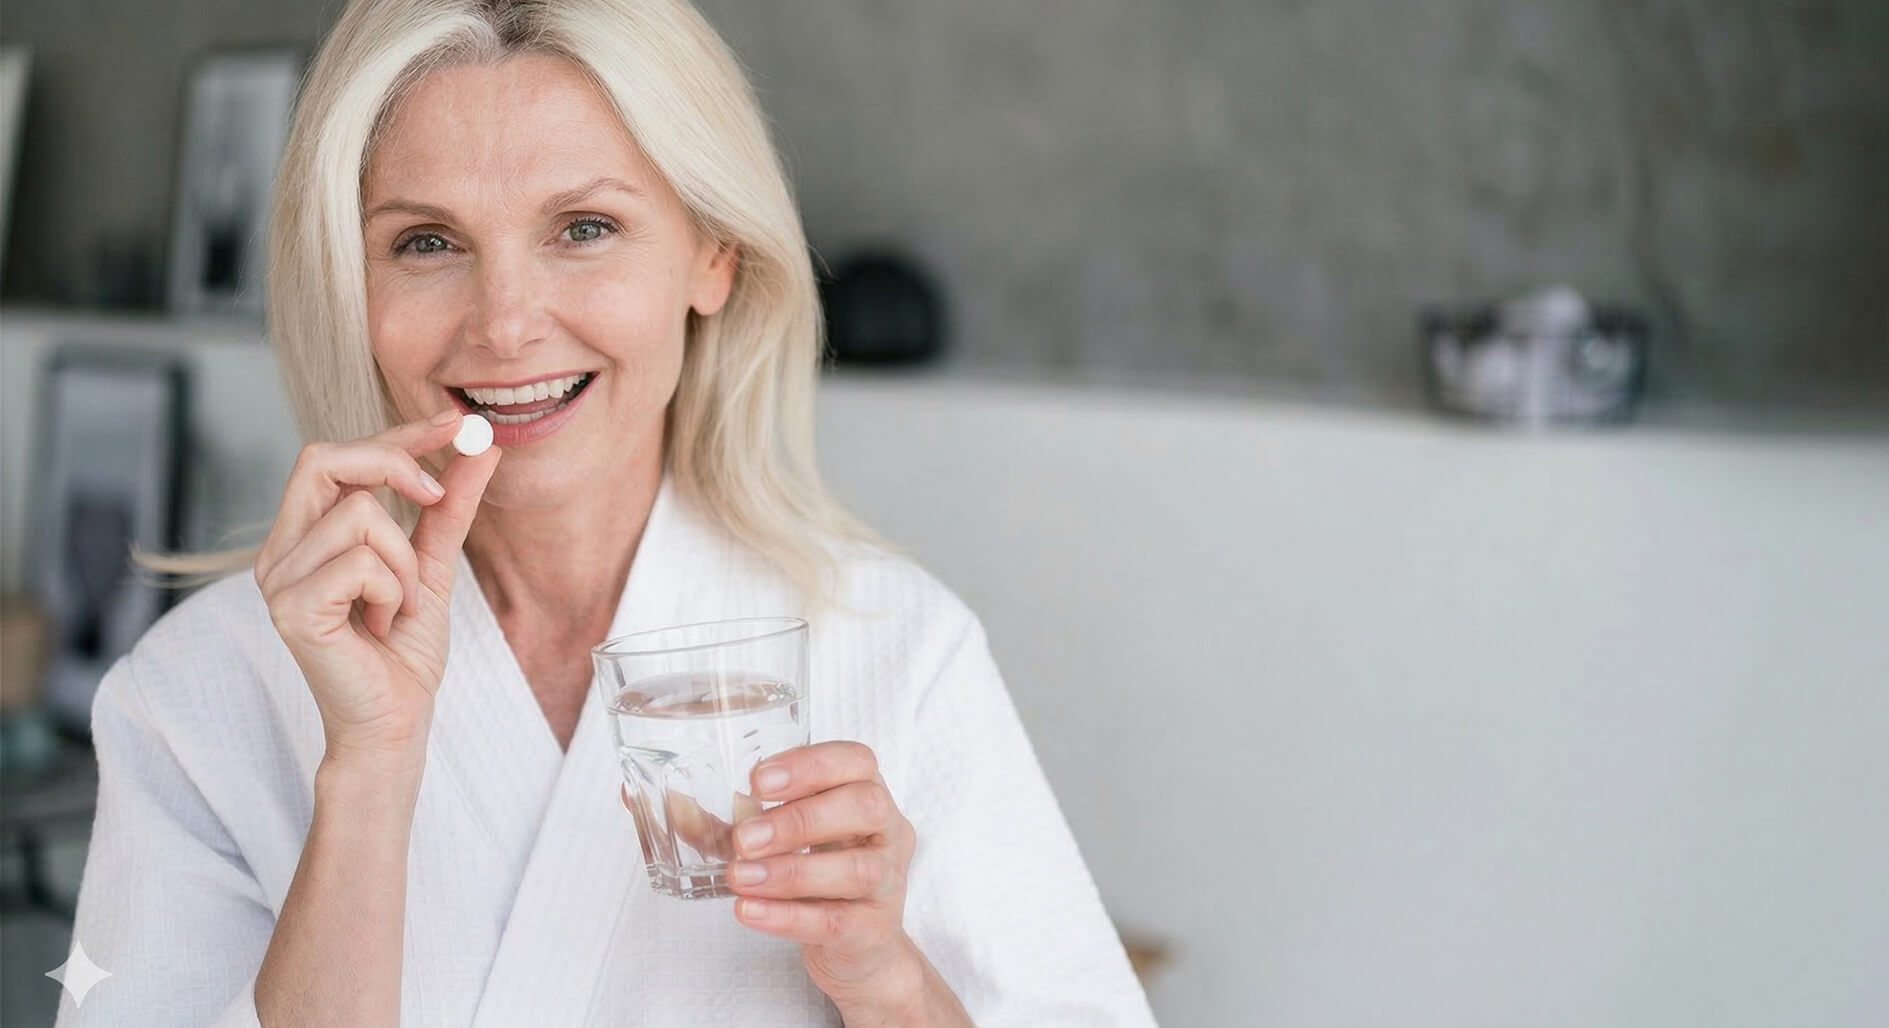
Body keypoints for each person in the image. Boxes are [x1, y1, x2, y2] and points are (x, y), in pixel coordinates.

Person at [59, 1, 1156, 1025]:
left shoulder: (896, 646)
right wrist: (370, 772)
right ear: (352, 281)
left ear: (712, 253)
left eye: (584, 227)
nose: (506, 325)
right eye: (427, 242)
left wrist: (885, 978)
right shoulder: (199, 693)